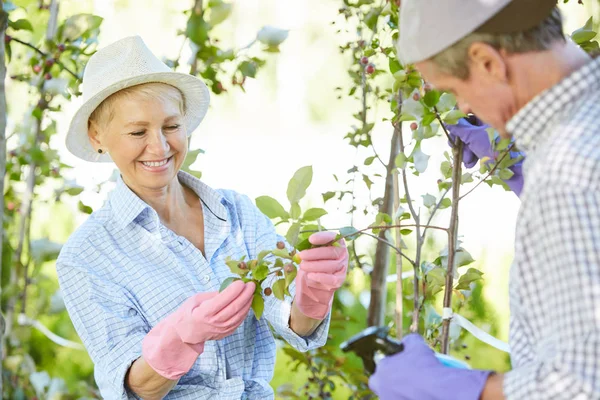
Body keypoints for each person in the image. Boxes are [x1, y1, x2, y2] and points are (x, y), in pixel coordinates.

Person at [56, 36, 349, 400]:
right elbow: (135, 387)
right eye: (137, 132)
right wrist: (180, 338)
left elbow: (291, 319)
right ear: (96, 135)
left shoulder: (237, 213)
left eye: (171, 126)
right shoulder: (87, 255)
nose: (160, 147)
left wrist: (313, 294)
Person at [369, 0, 600, 399]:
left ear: (488, 62)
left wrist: (464, 390)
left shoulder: (569, 171)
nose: (464, 108)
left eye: (456, 90)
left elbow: (580, 386)